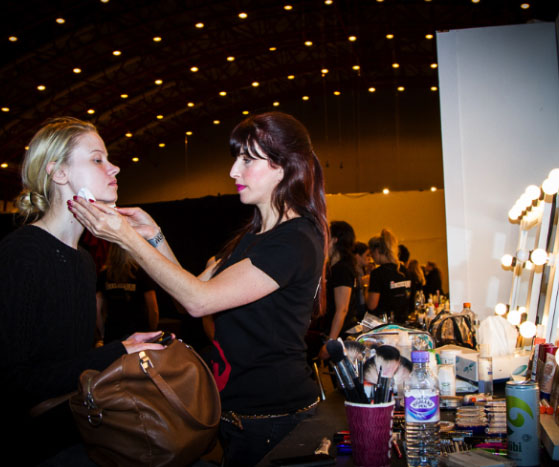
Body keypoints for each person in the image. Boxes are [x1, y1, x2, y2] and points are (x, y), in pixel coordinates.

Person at [68, 111, 328, 467]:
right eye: (236, 158)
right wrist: (154, 236)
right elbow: (189, 290)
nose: (234, 171)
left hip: (274, 419)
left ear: (285, 167)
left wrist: (125, 238)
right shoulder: (253, 237)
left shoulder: (295, 240)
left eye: (247, 160)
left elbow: (197, 301)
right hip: (238, 415)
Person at [0, 117, 165, 465]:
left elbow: (71, 362)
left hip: (78, 429)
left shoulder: (84, 261)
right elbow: (16, 381)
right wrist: (117, 351)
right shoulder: (21, 253)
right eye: (97, 159)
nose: (114, 166)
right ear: (59, 173)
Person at [96, 243, 160, 343]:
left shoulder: (104, 274)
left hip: (113, 334)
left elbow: (97, 308)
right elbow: (153, 308)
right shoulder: (141, 273)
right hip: (139, 335)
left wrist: (103, 333)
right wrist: (152, 331)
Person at [317, 221, 359, 360]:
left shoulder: (342, 269)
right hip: (337, 334)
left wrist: (331, 342)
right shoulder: (334, 267)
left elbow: (342, 309)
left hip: (341, 336)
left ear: (334, 240)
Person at [366, 229, 411, 324]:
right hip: (404, 324)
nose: (371, 257)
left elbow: (371, 305)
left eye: (371, 253)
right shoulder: (405, 271)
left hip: (384, 326)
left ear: (377, 251)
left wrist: (366, 288)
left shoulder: (377, 274)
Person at [353, 241, 372, 321]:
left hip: (363, 307)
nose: (369, 258)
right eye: (367, 255)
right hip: (356, 309)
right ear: (357, 256)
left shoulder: (363, 269)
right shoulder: (352, 271)